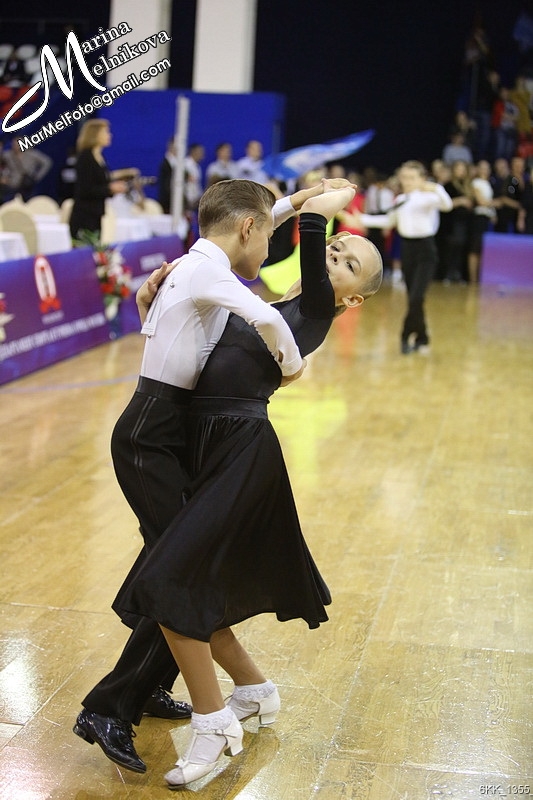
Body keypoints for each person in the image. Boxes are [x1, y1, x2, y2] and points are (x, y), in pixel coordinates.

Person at [112, 185, 383, 787]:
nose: (334, 256)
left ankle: (213, 724)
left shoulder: (316, 310)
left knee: (173, 580)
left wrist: (319, 210)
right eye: (336, 248)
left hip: (241, 452)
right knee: (193, 582)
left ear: (352, 297)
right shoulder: (262, 300)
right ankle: (254, 690)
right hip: (205, 445)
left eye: (348, 262)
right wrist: (149, 301)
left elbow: (304, 235)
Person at [357, 160, 452, 353]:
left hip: (426, 250)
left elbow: (447, 205)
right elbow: (388, 221)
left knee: (417, 297)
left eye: (412, 178)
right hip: (407, 250)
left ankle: (405, 334)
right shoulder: (400, 200)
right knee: (413, 298)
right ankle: (422, 337)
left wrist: (434, 187)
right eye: (404, 177)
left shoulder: (428, 197)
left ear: (422, 179)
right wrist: (361, 219)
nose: (407, 181)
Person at [69, 119, 133, 240]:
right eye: (106, 132)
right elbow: (85, 189)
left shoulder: (100, 157)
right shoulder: (85, 157)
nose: (109, 135)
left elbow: (101, 182)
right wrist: (109, 189)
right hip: (84, 215)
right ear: (95, 134)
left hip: (96, 214)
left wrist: (113, 188)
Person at [443, 159, 475, 283]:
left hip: (466, 222)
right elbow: (445, 204)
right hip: (452, 222)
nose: (461, 172)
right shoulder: (448, 185)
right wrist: (461, 201)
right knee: (452, 247)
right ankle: (448, 273)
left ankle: (459, 274)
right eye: (458, 169)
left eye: (463, 169)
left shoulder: (468, 186)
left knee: (462, 248)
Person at [468, 159, 495, 283]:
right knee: (475, 249)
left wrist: (492, 212)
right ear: (478, 169)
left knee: (482, 250)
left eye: (487, 168)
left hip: (486, 218)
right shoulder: (475, 182)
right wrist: (496, 203)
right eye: (482, 168)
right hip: (478, 218)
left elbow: (487, 202)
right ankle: (473, 279)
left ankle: (480, 278)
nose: (485, 170)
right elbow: (481, 201)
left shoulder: (488, 183)